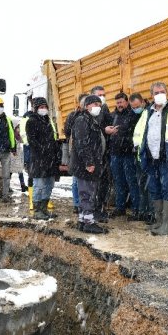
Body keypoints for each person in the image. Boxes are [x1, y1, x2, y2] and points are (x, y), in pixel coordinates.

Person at [133, 82, 168, 236]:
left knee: (167, 188)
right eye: (156, 92)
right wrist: (138, 147)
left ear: (167, 92)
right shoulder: (147, 112)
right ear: (151, 95)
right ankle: (158, 221)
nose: (159, 94)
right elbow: (139, 132)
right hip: (151, 158)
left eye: (162, 91)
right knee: (154, 189)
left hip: (167, 157)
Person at [70, 95, 108, 234]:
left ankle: (82, 220)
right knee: (88, 193)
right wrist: (89, 162)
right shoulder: (82, 120)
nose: (97, 106)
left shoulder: (90, 119)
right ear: (87, 106)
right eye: (94, 104)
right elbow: (82, 143)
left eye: (99, 104)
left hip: (88, 163)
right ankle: (89, 222)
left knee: (85, 193)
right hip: (85, 164)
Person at [25, 97, 60, 220]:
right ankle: (37, 210)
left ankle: (44, 208)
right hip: (39, 160)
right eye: (41, 107)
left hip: (50, 159)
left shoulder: (47, 121)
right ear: (36, 109)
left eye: (45, 107)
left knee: (49, 185)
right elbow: (32, 140)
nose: (43, 109)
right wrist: (43, 150)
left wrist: (56, 153)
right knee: (39, 185)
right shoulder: (32, 121)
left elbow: (52, 139)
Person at [108, 92, 140, 218]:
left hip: (128, 154)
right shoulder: (113, 115)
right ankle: (120, 207)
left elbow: (135, 133)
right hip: (115, 154)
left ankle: (136, 209)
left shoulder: (133, 115)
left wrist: (123, 134)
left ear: (126, 102)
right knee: (118, 182)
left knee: (131, 181)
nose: (119, 105)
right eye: (117, 102)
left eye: (121, 102)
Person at [90, 85, 115, 222]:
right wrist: (103, 130)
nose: (102, 97)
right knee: (93, 184)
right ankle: (91, 210)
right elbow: (91, 129)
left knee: (104, 182)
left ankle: (100, 208)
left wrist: (110, 129)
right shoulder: (88, 112)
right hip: (93, 153)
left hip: (104, 152)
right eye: (99, 95)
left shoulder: (104, 109)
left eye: (104, 94)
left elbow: (109, 123)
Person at [65, 94, 88, 214]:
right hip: (75, 151)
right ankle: (77, 203)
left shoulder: (91, 116)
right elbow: (67, 132)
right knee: (76, 179)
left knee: (86, 180)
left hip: (88, 151)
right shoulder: (73, 116)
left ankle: (86, 203)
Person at [128, 92, 150, 222]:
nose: (135, 108)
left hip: (146, 155)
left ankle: (149, 213)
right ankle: (142, 212)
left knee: (148, 185)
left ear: (142, 102)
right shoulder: (138, 115)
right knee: (141, 185)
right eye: (133, 107)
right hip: (138, 155)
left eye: (137, 106)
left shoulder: (149, 113)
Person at [11, 117, 27, 193]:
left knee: (20, 171)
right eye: (18, 127)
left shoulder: (18, 135)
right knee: (10, 171)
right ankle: (7, 186)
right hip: (13, 155)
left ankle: (23, 185)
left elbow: (23, 140)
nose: (19, 129)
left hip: (18, 155)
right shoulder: (12, 136)